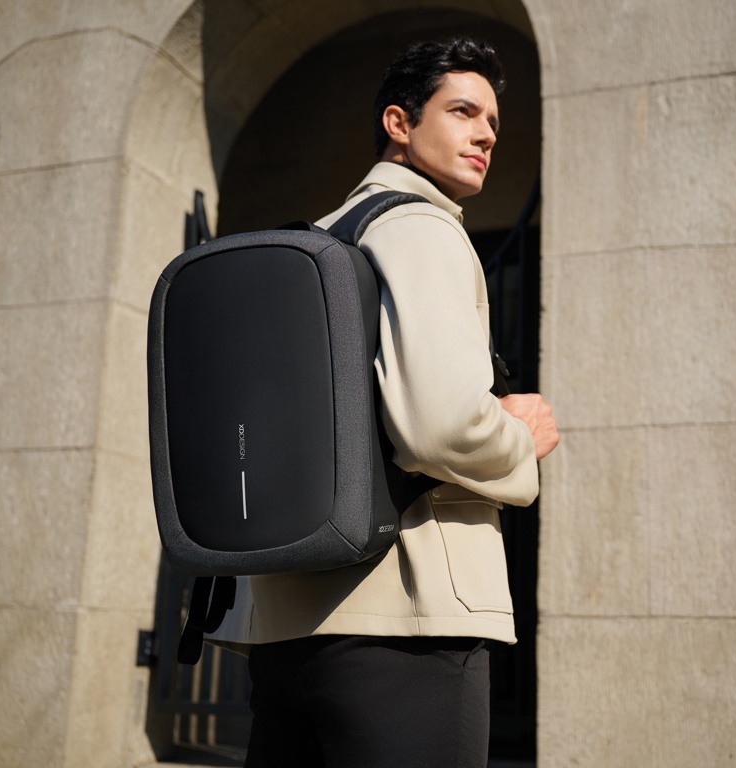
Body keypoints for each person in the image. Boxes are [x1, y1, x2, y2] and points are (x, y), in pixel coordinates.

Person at [241, 38, 559, 767]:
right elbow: (442, 427)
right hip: (408, 628)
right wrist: (519, 437)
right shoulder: (421, 226)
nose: (486, 135)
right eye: (463, 111)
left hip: (285, 630)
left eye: (493, 122)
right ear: (399, 123)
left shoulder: (321, 240)